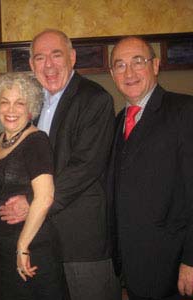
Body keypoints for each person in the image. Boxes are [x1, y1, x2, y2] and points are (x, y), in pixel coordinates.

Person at [0, 29, 121, 300]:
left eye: (57, 55)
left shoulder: (95, 99)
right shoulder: (31, 105)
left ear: (72, 58)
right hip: (43, 241)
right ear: (31, 65)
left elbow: (84, 167)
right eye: (40, 58)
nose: (49, 65)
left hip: (81, 240)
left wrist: (30, 202)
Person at [108, 36, 193, 300]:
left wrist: (191, 260)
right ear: (112, 74)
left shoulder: (184, 111)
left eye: (138, 62)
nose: (129, 72)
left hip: (174, 267)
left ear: (155, 66)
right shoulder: (118, 120)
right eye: (120, 65)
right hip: (135, 267)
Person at [0, 73, 65, 300]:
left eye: (20, 103)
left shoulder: (36, 140)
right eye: (5, 102)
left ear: (31, 108)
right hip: (3, 245)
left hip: (33, 246)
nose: (11, 109)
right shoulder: (0, 138)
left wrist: (22, 245)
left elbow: (45, 197)